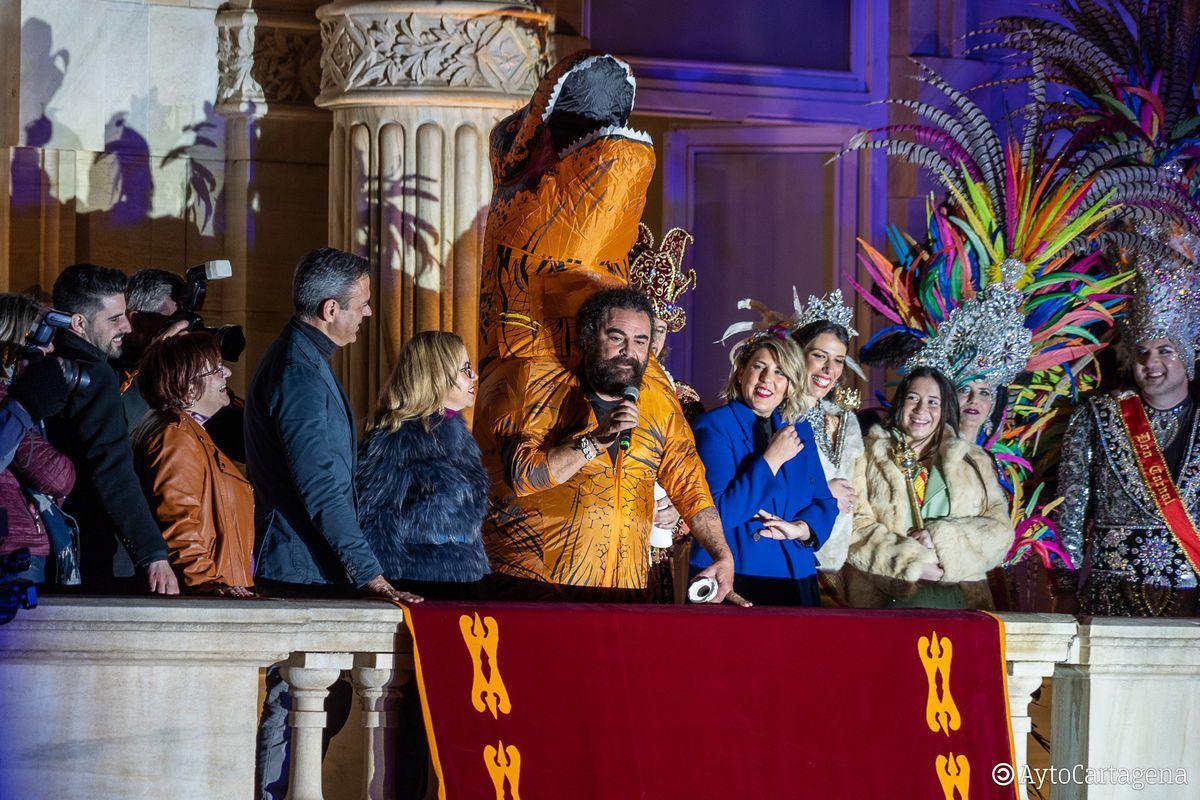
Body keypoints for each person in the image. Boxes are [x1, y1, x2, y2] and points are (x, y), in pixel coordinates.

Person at [245, 247, 419, 800]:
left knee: (315, 705)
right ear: (328, 309)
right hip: (300, 565)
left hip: (309, 559)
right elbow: (321, 487)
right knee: (295, 704)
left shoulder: (304, 361)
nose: (368, 314)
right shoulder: (298, 372)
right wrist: (369, 573)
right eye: (362, 305)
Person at [477, 288, 739, 603]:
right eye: (617, 338)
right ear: (588, 339)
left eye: (641, 341)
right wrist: (594, 440)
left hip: (625, 589)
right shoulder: (537, 383)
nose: (629, 352)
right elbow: (522, 477)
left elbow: (690, 484)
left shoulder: (658, 402)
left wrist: (722, 554)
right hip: (538, 587)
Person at [1056, 255, 1200, 617]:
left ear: (1187, 356)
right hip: (1110, 592)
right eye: (1142, 352)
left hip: (1192, 594)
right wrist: (1064, 586)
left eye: (1165, 351)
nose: (1151, 362)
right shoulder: (1097, 417)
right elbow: (1070, 507)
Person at [43, 264, 178, 594]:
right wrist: (153, 554)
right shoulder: (95, 376)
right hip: (90, 551)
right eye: (114, 318)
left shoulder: (47, 366)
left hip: (51, 544)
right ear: (79, 322)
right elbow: (113, 470)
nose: (128, 327)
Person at [690, 332, 838, 605]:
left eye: (780, 372)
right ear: (742, 372)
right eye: (760, 367)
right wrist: (771, 461)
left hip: (798, 579)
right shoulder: (713, 426)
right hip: (740, 579)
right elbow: (716, 515)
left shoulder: (799, 429)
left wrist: (800, 529)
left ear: (790, 385)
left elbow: (826, 503)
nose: (767, 379)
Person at [847, 367, 1013, 610]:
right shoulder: (866, 455)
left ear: (945, 409)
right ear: (900, 403)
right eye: (913, 398)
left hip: (961, 605)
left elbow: (1000, 531)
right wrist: (911, 565)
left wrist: (942, 541)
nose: (921, 410)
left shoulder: (972, 461)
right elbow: (853, 526)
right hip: (884, 604)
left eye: (933, 402)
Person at [356, 331, 490, 600]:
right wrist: (386, 587)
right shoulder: (395, 438)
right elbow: (374, 522)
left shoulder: (462, 438)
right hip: (417, 585)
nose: (474, 376)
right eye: (465, 370)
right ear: (437, 373)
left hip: (469, 582)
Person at [130, 332, 253, 596]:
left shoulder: (185, 430)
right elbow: (179, 524)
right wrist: (208, 584)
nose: (227, 374)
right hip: (210, 591)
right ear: (188, 388)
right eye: (216, 370)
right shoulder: (175, 436)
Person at [627, 223, 704, 602]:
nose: (650, 340)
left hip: (654, 552)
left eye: (657, 330)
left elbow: (697, 483)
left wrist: (677, 514)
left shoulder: (684, 400)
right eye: (641, 329)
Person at [0, 294, 75, 584]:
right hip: (13, 553)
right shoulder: (9, 400)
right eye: (44, 342)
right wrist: (29, 403)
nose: (51, 350)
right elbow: (57, 477)